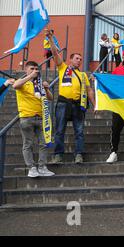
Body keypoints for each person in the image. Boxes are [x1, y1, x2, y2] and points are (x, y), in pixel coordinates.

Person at [48, 34, 96, 165]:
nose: (79, 60)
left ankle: (79, 154)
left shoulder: (83, 75)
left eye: (80, 59)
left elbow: (89, 90)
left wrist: (94, 105)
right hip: (63, 103)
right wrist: (51, 40)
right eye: (77, 58)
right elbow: (54, 53)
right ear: (70, 60)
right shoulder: (63, 67)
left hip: (77, 105)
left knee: (79, 131)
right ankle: (58, 155)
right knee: (59, 130)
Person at [13, 61, 55, 178]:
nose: (35, 70)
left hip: (42, 118)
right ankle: (31, 168)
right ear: (26, 70)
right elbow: (15, 85)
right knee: (28, 144)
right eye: (32, 68)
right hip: (27, 118)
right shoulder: (23, 82)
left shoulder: (39, 83)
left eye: (36, 69)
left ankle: (42, 167)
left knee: (44, 143)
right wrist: (30, 76)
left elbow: (51, 98)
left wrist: (46, 88)